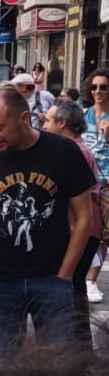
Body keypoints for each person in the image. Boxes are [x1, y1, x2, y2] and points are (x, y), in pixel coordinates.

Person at [0, 86, 94, 359]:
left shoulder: (63, 151)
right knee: (5, 368)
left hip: (51, 278)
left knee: (57, 368)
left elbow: (84, 218)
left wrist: (65, 276)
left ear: (23, 119)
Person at [42, 97, 102, 343]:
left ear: (62, 123)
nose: (44, 125)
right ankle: (80, 346)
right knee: (74, 287)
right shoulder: (76, 149)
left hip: (79, 228)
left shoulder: (73, 151)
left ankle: (78, 348)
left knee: (72, 287)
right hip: (83, 227)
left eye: (47, 120)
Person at [82, 66, 109, 303]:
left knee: (103, 234)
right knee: (87, 230)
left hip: (107, 183)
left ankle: (91, 280)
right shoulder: (84, 115)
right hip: (86, 182)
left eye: (103, 87)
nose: (98, 91)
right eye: (94, 87)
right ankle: (83, 277)